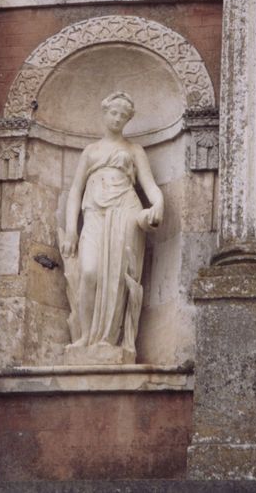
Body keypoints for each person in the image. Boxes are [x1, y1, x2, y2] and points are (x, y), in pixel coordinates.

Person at [61, 91, 164, 357]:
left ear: (128, 119)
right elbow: (75, 190)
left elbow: (149, 185)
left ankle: (109, 339)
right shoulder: (91, 151)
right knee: (90, 271)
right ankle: (85, 336)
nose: (117, 118)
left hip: (124, 213)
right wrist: (71, 230)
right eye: (113, 113)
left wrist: (158, 205)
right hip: (94, 212)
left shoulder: (134, 150)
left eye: (122, 115)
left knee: (117, 277)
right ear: (104, 113)